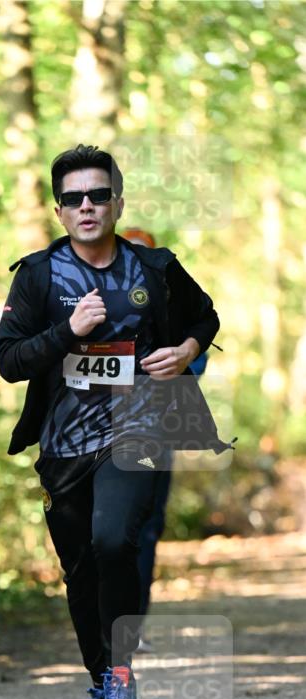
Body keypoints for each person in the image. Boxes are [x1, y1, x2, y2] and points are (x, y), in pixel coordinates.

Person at [0, 144, 230, 699]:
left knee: (114, 540)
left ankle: (121, 673)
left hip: (141, 427)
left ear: (118, 201)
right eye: (74, 199)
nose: (87, 206)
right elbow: (9, 361)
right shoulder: (39, 276)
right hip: (65, 440)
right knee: (80, 569)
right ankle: (100, 678)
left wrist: (185, 353)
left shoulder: (154, 268)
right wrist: (64, 333)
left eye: (98, 195)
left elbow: (205, 319)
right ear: (59, 211)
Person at [119, 228, 208, 652]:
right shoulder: (96, 297)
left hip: (158, 432)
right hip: (98, 431)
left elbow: (200, 356)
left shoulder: (174, 303)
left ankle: (131, 628)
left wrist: (182, 353)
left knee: (147, 527)